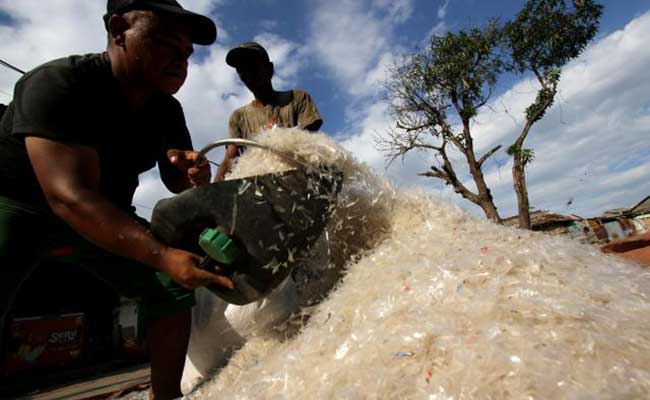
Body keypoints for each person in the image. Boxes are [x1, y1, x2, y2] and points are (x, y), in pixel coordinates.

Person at [0, 1, 233, 399]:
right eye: (165, 44)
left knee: (171, 288)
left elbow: (175, 182)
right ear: (119, 28)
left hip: (105, 213)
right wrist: (162, 254)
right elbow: (68, 198)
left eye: (186, 55)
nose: (180, 62)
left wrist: (190, 172)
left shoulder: (166, 109)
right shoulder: (57, 83)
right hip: (22, 207)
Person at [214, 41, 323, 181]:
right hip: (255, 191)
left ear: (269, 68)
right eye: (241, 69)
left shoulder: (297, 98)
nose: (248, 73)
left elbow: (307, 142)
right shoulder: (238, 117)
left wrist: (276, 137)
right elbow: (229, 160)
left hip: (298, 183)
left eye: (253, 66)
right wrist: (211, 193)